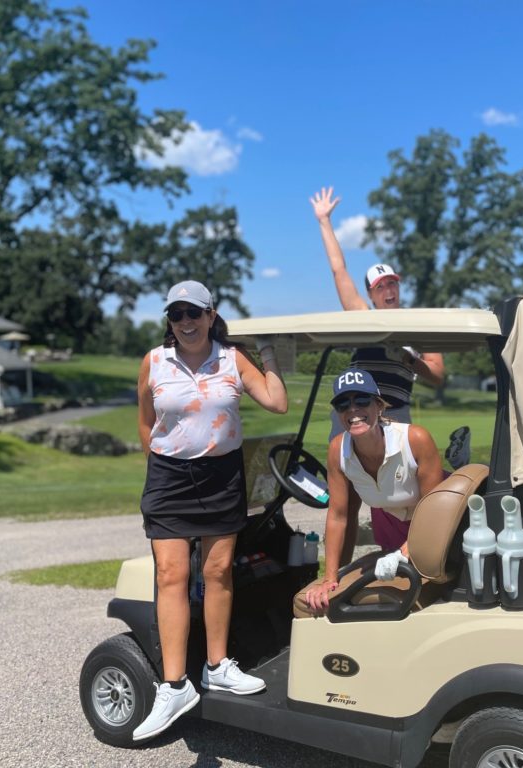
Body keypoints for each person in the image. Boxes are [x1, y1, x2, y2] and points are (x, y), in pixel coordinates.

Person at [132, 280, 287, 741]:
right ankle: (174, 684)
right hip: (169, 479)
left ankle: (217, 665)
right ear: (169, 321)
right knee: (171, 575)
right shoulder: (154, 362)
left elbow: (277, 403)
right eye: (176, 315)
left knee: (219, 571)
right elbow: (145, 421)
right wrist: (163, 462)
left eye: (193, 313)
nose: (186, 322)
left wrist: (270, 356)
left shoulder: (232, 358)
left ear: (210, 314)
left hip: (222, 477)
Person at [303, 369, 446, 614]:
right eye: (342, 404)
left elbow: (434, 512)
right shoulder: (338, 450)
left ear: (379, 406)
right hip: (393, 524)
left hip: (438, 526)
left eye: (362, 401)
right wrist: (329, 579)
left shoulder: (415, 439)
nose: (353, 410)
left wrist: (405, 552)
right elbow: (338, 516)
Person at [310, 186, 445, 426]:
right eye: (380, 287)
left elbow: (437, 375)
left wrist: (408, 359)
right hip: (355, 411)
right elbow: (338, 269)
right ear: (371, 295)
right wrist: (324, 221)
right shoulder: (364, 318)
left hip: (397, 414)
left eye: (392, 284)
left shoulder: (418, 325)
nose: (389, 291)